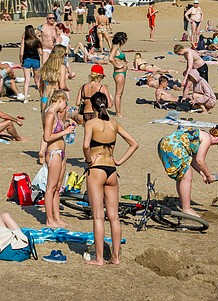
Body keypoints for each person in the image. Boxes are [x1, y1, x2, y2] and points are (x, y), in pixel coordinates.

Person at [84, 91, 139, 265]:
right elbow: (134, 143)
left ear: (92, 106)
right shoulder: (114, 123)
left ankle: (99, 258)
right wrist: (120, 160)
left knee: (98, 216)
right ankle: (115, 257)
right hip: (112, 170)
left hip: (97, 168)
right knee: (114, 217)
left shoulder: (91, 123)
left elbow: (86, 145)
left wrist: (88, 160)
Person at [157, 126, 218, 216]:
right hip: (174, 147)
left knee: (182, 177)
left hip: (164, 144)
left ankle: (184, 206)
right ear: (216, 136)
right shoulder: (207, 138)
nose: (217, 144)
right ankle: (187, 209)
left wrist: (202, 174)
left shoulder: (199, 135)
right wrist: (209, 176)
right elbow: (200, 160)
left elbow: (193, 161)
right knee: (187, 176)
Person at [42, 90, 76, 228]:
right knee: (50, 187)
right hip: (54, 152)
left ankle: (57, 217)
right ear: (60, 100)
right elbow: (47, 137)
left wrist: (67, 125)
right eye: (65, 103)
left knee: (57, 188)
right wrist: (65, 132)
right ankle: (49, 219)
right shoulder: (49, 114)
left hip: (61, 152)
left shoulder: (55, 115)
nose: (65, 106)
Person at [19, 24, 41, 103]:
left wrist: (21, 61)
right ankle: (42, 96)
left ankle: (25, 98)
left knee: (27, 80)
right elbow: (40, 52)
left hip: (27, 60)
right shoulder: (36, 40)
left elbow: (21, 52)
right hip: (36, 60)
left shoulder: (24, 40)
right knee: (37, 80)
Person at [108, 31, 128, 117]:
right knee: (118, 93)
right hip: (119, 73)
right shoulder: (115, 47)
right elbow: (110, 58)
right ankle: (118, 113)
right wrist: (118, 65)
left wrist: (124, 63)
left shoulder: (118, 47)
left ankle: (119, 111)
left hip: (122, 72)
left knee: (120, 93)